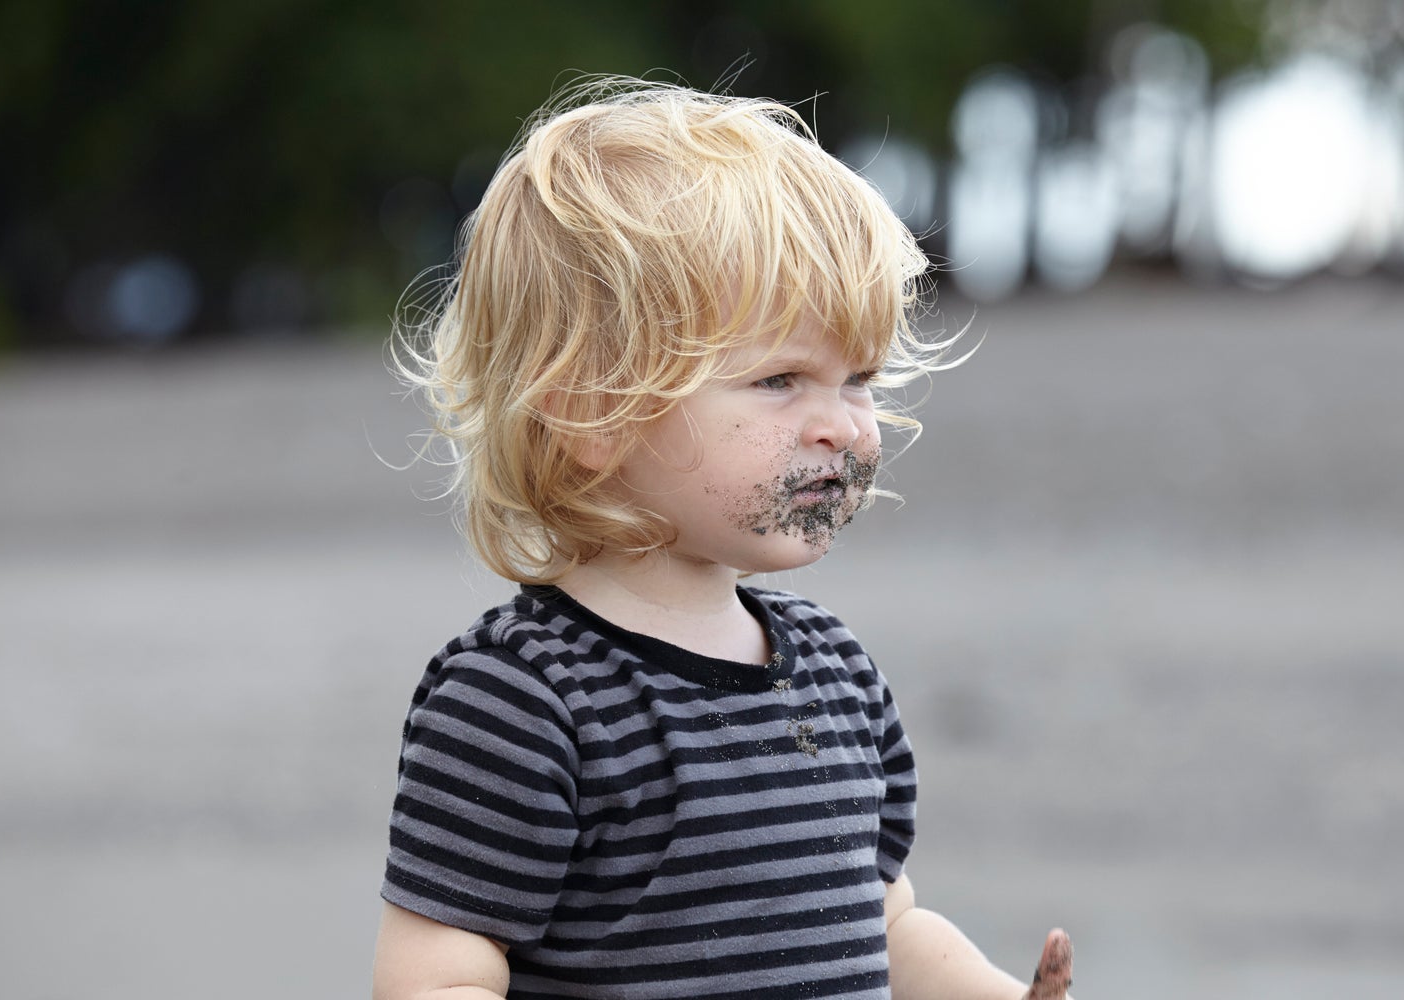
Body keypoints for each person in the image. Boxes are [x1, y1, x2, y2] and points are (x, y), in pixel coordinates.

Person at [372, 77, 1075, 1000]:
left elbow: (888, 920)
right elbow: (436, 977)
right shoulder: (521, 700)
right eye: (781, 379)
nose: (842, 425)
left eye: (857, 378)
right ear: (595, 411)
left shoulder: (836, 674)